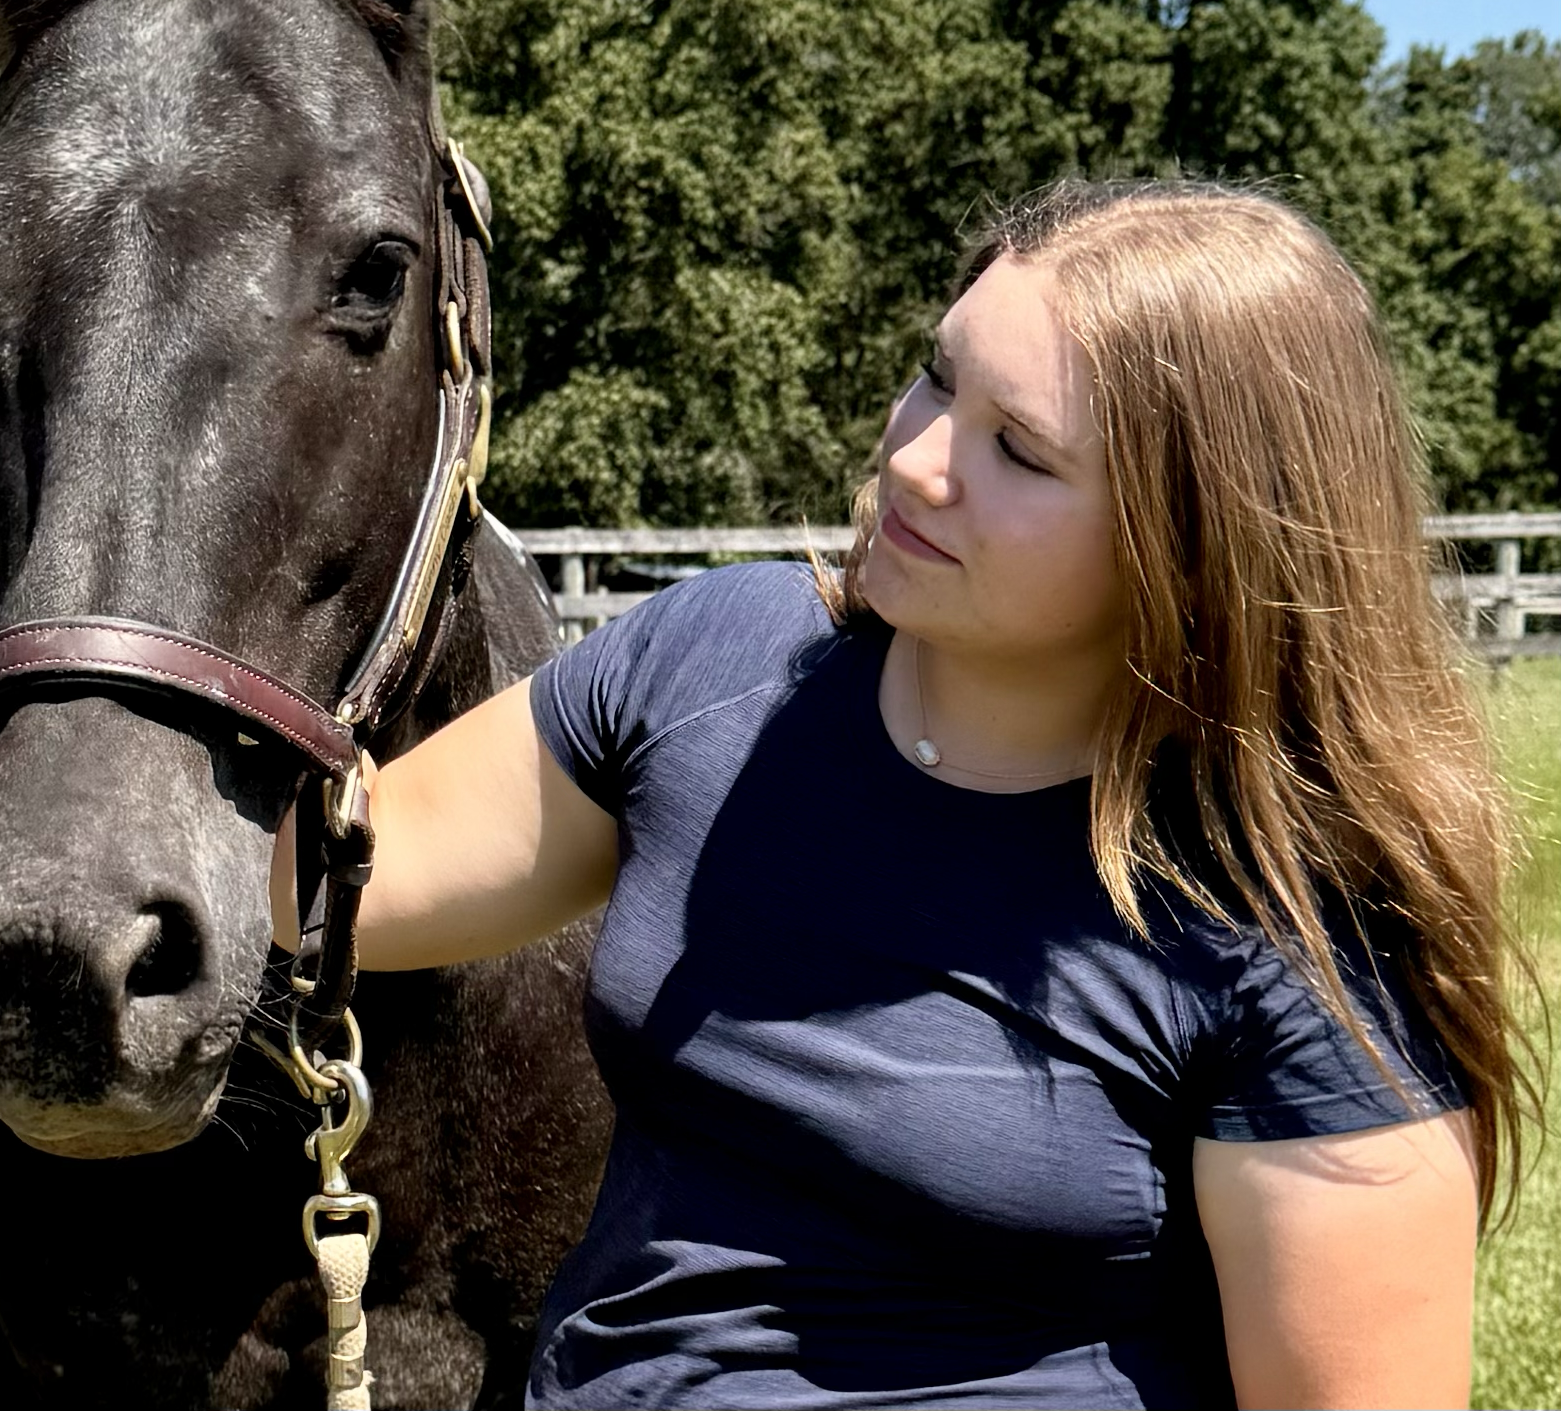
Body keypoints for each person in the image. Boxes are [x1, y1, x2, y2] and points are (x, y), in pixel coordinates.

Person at [342, 180, 1528, 1410]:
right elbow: (336, 879)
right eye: (937, 376)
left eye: (1016, 448)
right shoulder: (717, 667)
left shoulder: (1297, 940)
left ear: (1193, 543)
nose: (911, 458)